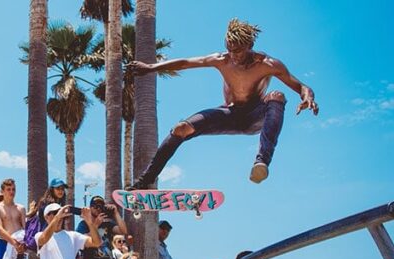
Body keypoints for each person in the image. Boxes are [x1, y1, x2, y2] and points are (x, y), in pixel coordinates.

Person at [126, 18, 319, 189]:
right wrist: (151, 67)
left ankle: (261, 162)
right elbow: (186, 62)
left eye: (239, 51)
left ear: (250, 44)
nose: (233, 55)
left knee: (276, 95)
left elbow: (301, 86)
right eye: (230, 48)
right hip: (229, 115)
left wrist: (307, 96)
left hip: (255, 116)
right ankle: (147, 179)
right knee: (181, 128)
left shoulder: (268, 64)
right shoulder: (222, 59)